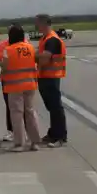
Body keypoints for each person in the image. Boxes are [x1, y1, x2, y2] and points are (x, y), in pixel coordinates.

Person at [0, 24, 42, 152]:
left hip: (15, 86)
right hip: (30, 84)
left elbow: (5, 68)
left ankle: (19, 143)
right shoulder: (30, 47)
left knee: (17, 114)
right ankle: (35, 142)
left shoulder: (8, 50)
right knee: (30, 112)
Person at [34, 13, 68, 146]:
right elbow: (40, 55)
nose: (36, 26)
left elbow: (44, 58)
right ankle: (53, 133)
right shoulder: (44, 39)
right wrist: (37, 55)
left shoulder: (52, 40)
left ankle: (60, 136)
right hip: (44, 76)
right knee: (51, 107)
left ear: (44, 23)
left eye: (37, 23)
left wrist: (33, 56)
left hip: (51, 77)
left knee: (55, 107)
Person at [0, 37, 12, 142]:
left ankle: (24, 130)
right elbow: (2, 61)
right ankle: (11, 130)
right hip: (7, 80)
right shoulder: (2, 45)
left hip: (22, 79)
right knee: (10, 106)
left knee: (25, 108)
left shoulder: (26, 44)